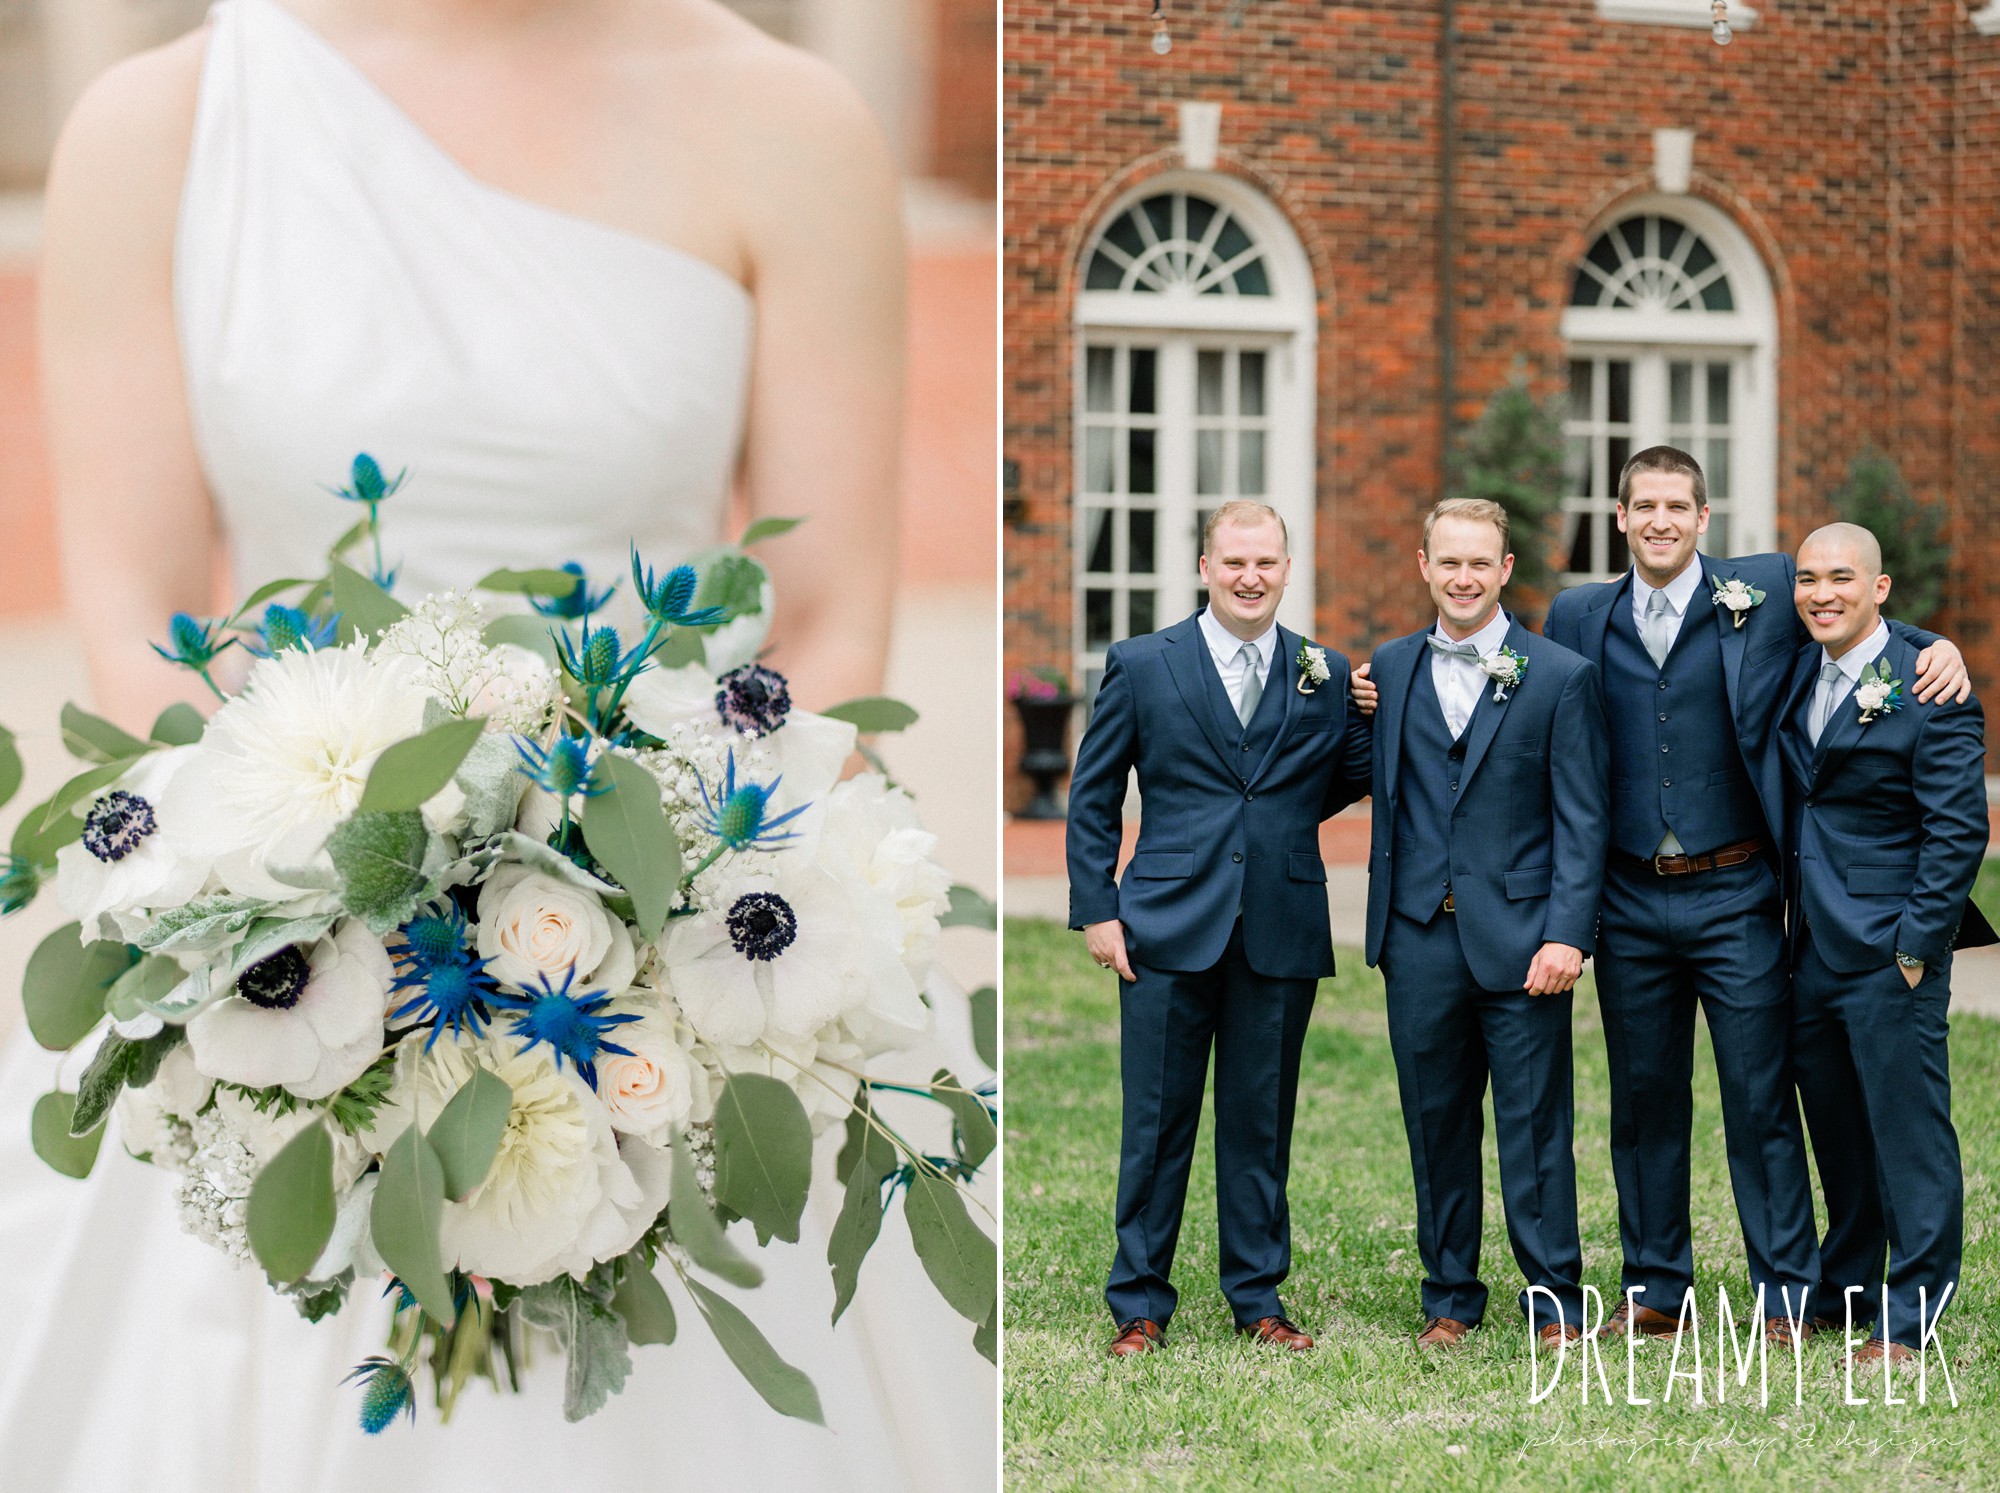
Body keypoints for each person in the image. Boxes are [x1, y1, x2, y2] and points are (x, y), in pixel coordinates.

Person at [2, 0, 990, 1487]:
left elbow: (832, 624)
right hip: (276, 942)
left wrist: (654, 942)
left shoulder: (788, 122)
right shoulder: (154, 126)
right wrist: (329, 958)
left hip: (688, 926)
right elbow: (147, 636)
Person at [1539, 447, 1968, 1347]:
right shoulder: (1577, 615)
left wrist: (1941, 649)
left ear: (1704, 517)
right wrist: (1371, 689)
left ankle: (1783, 1292)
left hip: (1738, 892)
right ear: (1619, 517)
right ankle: (1657, 1285)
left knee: (1762, 1096)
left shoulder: (1766, 588)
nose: (1659, 519)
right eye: (1642, 505)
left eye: (1677, 505)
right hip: (1629, 895)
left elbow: (1857, 618)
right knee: (1644, 1099)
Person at [1064, 499, 1371, 1358]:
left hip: (1279, 923)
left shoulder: (1323, 668)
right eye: (1234, 561)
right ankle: (1140, 1302)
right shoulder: (1143, 663)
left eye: (1266, 563)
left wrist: (1373, 716)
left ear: (1285, 567)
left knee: (1259, 1121)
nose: (1250, 577)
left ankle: (1258, 1296)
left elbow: (1335, 778)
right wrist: (1098, 906)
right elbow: (1093, 794)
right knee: (1156, 1122)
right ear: (1204, 566)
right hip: (1164, 925)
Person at [1361, 498, 1606, 1350]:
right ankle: (1451, 1296)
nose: (1463, 577)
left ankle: (1556, 1301)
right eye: (1448, 562)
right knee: (1435, 1122)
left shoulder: (1559, 675)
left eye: (1480, 563)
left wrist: (1568, 933)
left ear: (1505, 571)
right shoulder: (1387, 671)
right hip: (1418, 935)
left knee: (1537, 1129)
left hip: (1526, 939)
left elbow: (1584, 819)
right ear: (1424, 566)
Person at [1780, 523, 1992, 1364]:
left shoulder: (1928, 679)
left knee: (1908, 1133)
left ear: (1881, 586)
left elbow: (1958, 829)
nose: (1821, 592)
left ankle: (1914, 1315)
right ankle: (1849, 1286)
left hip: (1890, 951)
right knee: (1837, 1131)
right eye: (1806, 578)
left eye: (1841, 577)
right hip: (1808, 948)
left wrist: (1917, 945)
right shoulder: (1797, 667)